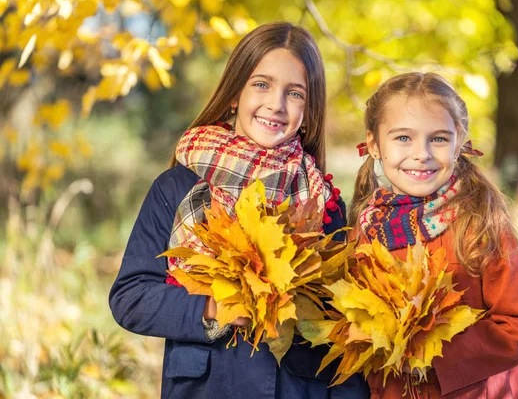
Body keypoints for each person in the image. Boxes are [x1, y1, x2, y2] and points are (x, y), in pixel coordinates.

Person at [109, 22, 368, 399]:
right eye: (261, 84)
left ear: (309, 112)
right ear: (234, 95)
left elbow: (338, 320)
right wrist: (212, 308)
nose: (275, 105)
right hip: (209, 386)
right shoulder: (177, 187)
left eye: (294, 93)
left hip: (295, 388)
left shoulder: (322, 201)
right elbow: (131, 296)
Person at [349, 72, 518, 398]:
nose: (421, 153)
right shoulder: (367, 226)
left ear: (459, 145)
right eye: (403, 138)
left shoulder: (479, 226)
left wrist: (437, 354)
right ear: (373, 144)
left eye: (439, 139)